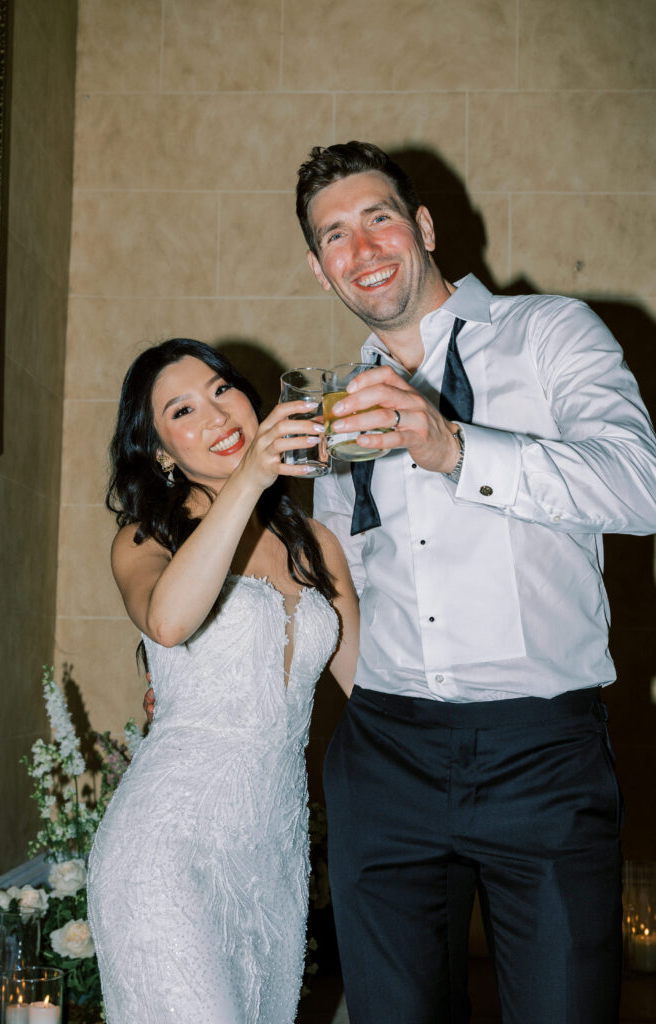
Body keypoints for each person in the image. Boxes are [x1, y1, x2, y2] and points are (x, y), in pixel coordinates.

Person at [294, 141, 656, 1024]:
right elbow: (342, 571)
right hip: (384, 757)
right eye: (334, 235)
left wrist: (454, 449)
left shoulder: (553, 333)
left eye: (378, 216)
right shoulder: (338, 405)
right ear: (318, 270)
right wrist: (370, 699)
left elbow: (640, 486)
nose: (362, 247)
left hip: (541, 754)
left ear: (420, 226)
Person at [87, 338, 359, 1024]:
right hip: (165, 850)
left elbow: (376, 691)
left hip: (272, 855)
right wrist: (249, 479)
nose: (214, 412)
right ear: (160, 451)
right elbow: (170, 622)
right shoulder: (145, 539)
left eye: (220, 389)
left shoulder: (316, 545)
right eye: (182, 409)